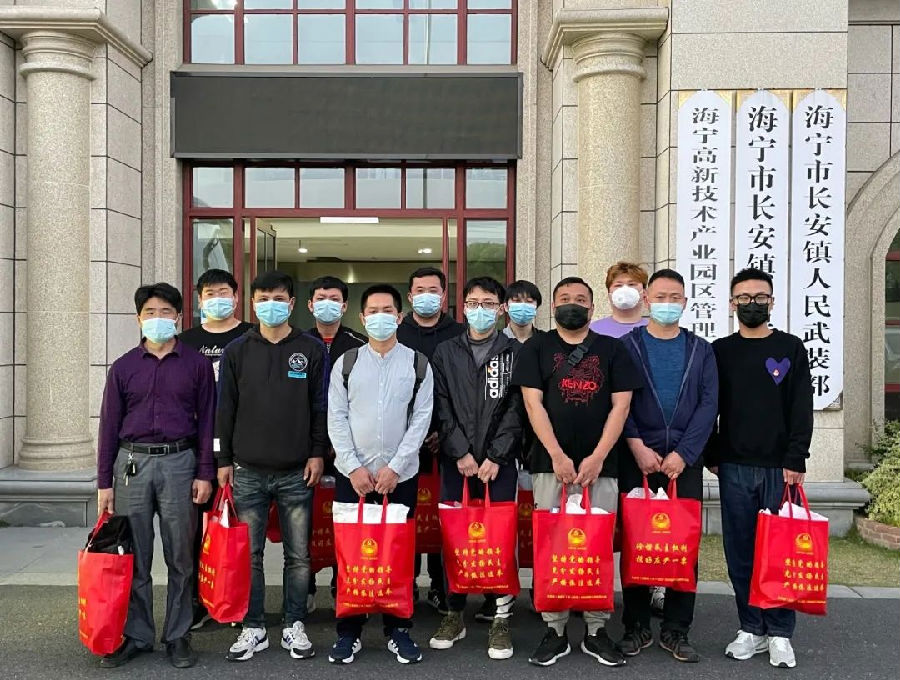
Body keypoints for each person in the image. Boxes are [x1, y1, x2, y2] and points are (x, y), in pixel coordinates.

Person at [512, 276, 643, 667]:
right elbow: (533, 405)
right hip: (549, 464)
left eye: (581, 299)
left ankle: (596, 629)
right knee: (552, 545)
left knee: (596, 545)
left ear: (592, 307)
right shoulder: (536, 347)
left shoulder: (613, 349)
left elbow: (621, 407)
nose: (573, 304)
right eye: (565, 298)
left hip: (602, 466)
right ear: (553, 307)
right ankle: (554, 629)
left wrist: (599, 456)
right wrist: (556, 455)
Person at [96, 283, 215, 669]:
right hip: (131, 464)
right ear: (138, 319)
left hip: (180, 462)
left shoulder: (196, 365)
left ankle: (178, 635)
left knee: (181, 555)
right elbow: (108, 426)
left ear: (178, 317)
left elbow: (208, 422)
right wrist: (104, 482)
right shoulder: (124, 367)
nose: (158, 319)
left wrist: (205, 472)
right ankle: (138, 634)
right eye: (150, 312)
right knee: (134, 554)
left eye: (166, 312)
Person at [216, 271, 329, 663]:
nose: (271, 305)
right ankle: (254, 626)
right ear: (252, 304)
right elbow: (224, 409)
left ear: (292, 304)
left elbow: (320, 406)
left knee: (299, 556)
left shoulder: (311, 349)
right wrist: (222, 460)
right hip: (247, 470)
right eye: (263, 299)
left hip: (297, 470)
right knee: (250, 555)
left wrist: (317, 452)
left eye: (279, 299)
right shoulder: (237, 350)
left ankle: (294, 623)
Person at [706, 267, 813, 670]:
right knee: (741, 552)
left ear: (772, 301)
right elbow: (709, 405)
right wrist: (713, 454)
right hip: (733, 466)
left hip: (779, 469)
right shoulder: (720, 351)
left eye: (760, 297)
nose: (752, 304)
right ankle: (751, 626)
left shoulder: (790, 348)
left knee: (780, 552)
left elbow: (800, 406)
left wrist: (796, 457)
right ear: (731, 304)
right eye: (744, 298)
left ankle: (780, 632)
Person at [327, 284, 434, 665]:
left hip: (399, 477)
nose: (380, 317)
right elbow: (336, 417)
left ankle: (398, 628)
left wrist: (396, 467)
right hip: (352, 475)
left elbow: (421, 420)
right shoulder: (347, 363)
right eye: (373, 311)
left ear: (399, 317)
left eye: (387, 310)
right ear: (362, 318)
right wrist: (353, 466)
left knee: (397, 554)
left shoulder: (418, 364)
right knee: (350, 554)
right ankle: (348, 631)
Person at [617, 269, 718, 664]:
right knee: (637, 541)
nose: (667, 303)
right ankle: (636, 625)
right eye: (660, 296)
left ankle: (677, 629)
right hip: (637, 458)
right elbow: (618, 401)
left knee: (683, 544)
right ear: (646, 300)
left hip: (683, 462)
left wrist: (685, 454)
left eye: (675, 297)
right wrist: (636, 444)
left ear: (685, 302)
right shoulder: (627, 347)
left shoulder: (701, 350)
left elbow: (709, 405)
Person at [428, 276, 524, 660]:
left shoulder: (514, 352)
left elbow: (518, 409)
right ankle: (454, 612)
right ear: (462, 307)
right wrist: (460, 453)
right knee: (455, 535)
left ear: (501, 309)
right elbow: (440, 404)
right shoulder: (445, 351)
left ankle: (501, 616)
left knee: (500, 538)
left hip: (500, 463)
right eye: (472, 302)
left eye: (487, 303)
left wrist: (497, 455)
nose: (479, 309)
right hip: (458, 463)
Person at [178, 268, 253, 631]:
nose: (217, 299)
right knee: (194, 531)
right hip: (192, 449)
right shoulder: (185, 341)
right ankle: (199, 599)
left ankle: (237, 599)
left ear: (236, 297)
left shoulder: (251, 336)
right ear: (199, 300)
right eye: (209, 293)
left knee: (239, 528)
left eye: (224, 292)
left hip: (242, 447)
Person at [397, 266, 465, 613]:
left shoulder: (460, 333)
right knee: (407, 514)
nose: (426, 296)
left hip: (448, 441)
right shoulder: (397, 332)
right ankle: (405, 583)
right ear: (410, 296)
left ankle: (441, 585)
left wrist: (445, 431)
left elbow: (462, 390)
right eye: (419, 290)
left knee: (442, 515)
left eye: (433, 290)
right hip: (402, 441)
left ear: (443, 295)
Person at [305, 275, 367, 609]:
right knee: (308, 520)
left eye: (334, 298)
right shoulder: (299, 343)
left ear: (344, 306)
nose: (327, 304)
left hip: (350, 449)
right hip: (308, 448)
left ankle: (342, 584)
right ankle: (306, 586)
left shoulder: (359, 344)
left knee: (346, 518)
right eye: (321, 298)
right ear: (310, 305)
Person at [589, 262, 649, 338]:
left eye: (631, 284)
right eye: (618, 285)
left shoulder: (656, 330)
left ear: (644, 292)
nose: (625, 289)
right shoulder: (592, 330)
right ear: (609, 294)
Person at [503, 279, 544, 343]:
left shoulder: (546, 341)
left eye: (529, 301)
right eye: (517, 300)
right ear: (506, 306)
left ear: (536, 307)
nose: (523, 305)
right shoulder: (495, 342)